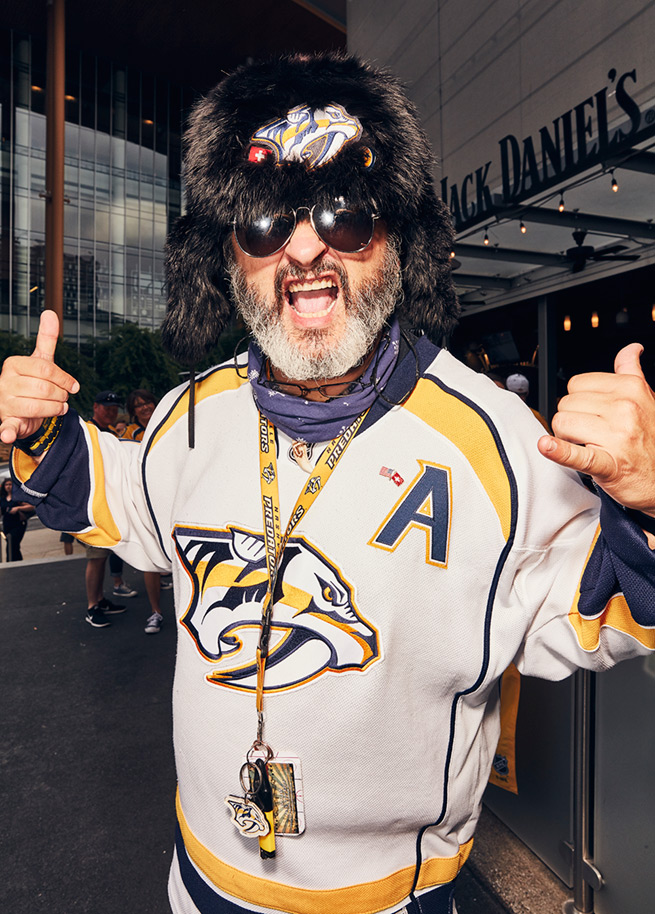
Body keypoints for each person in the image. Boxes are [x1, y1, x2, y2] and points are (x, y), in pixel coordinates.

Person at [1, 52, 655, 914]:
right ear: (227, 257)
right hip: (197, 881)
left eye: (344, 215)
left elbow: (607, 616)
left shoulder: (500, 441)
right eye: (264, 222)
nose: (305, 248)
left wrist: (650, 502)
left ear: (397, 240)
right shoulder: (189, 415)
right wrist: (39, 427)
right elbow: (122, 498)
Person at [83, 390, 136, 626]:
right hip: (94, 504)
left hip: (110, 503)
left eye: (114, 408)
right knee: (96, 557)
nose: (111, 412)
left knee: (103, 556)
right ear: (96, 407)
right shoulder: (88, 431)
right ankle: (92, 606)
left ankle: (100, 599)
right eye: (107, 407)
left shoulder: (110, 433)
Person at [123, 387, 167, 633]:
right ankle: (155, 612)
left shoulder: (168, 421)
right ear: (133, 411)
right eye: (138, 405)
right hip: (146, 498)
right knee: (151, 556)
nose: (144, 407)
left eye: (147, 402)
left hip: (173, 495)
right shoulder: (130, 433)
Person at [0, 476, 35, 561]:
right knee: (13, 545)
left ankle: (10, 561)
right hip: (7, 524)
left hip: (18, 523)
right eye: (6, 485)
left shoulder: (18, 497)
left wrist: (18, 508)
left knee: (12, 543)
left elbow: (31, 507)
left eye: (10, 484)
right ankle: (18, 562)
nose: (8, 486)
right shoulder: (2, 499)